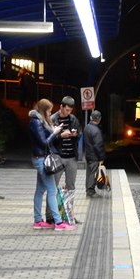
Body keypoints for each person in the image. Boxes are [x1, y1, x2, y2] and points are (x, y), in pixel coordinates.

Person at [28, 98, 75, 231]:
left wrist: (55, 130)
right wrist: (54, 133)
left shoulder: (39, 121)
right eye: (48, 110)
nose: (50, 113)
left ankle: (38, 221)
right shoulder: (36, 122)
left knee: (40, 190)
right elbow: (44, 142)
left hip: (40, 158)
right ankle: (58, 222)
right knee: (52, 190)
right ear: (43, 110)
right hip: (42, 159)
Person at [49, 96, 82, 223]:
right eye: (66, 110)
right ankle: (51, 216)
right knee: (52, 186)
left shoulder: (73, 119)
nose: (68, 113)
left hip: (71, 158)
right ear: (61, 106)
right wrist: (60, 136)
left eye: (70, 110)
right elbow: (48, 139)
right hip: (58, 157)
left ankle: (69, 215)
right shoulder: (53, 119)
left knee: (71, 186)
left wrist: (75, 134)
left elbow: (79, 133)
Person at [84, 110, 106, 197]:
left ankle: (88, 189)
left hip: (88, 154)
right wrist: (101, 157)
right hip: (94, 156)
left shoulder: (87, 127)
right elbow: (98, 145)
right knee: (93, 173)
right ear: (99, 119)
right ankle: (90, 191)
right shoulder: (96, 131)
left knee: (89, 173)